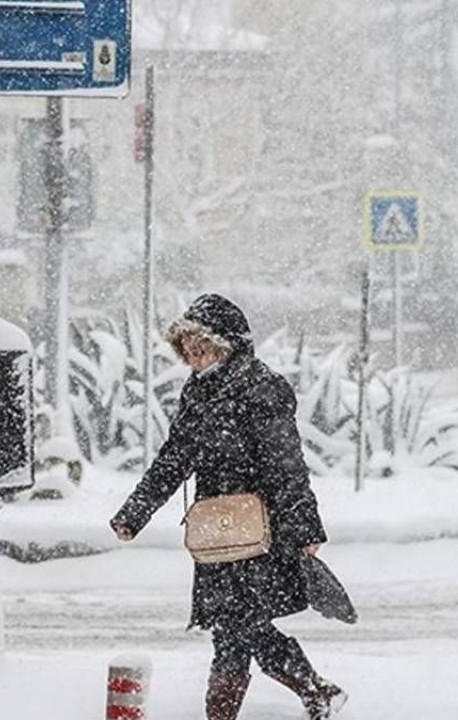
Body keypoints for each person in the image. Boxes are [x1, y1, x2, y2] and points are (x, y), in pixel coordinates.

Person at [110, 294, 347, 720]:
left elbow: (286, 464)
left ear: (227, 344)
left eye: (202, 345)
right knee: (233, 629)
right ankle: (316, 691)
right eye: (188, 347)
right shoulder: (197, 392)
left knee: (239, 625)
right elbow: (174, 458)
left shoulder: (261, 387)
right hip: (217, 533)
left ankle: (301, 695)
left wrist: (305, 528)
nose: (194, 355)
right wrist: (135, 513)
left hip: (260, 531)